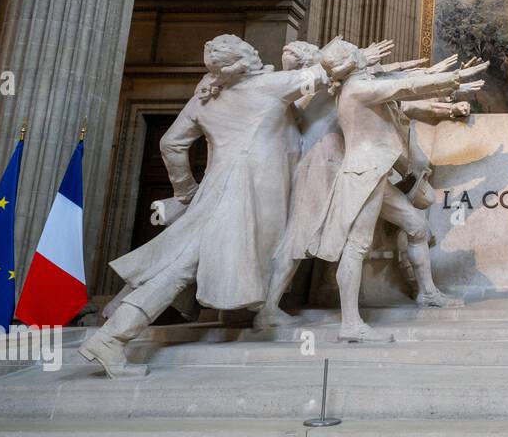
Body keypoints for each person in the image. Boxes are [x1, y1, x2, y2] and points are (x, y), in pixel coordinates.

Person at [79, 36, 336, 377]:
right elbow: (325, 70)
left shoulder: (206, 94)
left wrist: (186, 191)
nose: (259, 51)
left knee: (189, 257)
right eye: (252, 49)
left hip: (216, 185)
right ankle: (113, 337)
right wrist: (362, 57)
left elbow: (171, 144)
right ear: (246, 60)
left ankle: (118, 327)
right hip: (250, 189)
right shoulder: (270, 86)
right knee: (185, 263)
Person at [307, 41, 488, 342]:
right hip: (364, 175)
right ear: (352, 60)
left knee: (417, 227)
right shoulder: (356, 89)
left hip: (377, 173)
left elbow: (403, 91)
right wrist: (454, 79)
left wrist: (448, 90)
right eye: (356, 50)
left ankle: (427, 292)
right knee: (357, 246)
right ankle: (350, 324)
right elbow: (406, 88)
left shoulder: (359, 86)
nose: (362, 52)